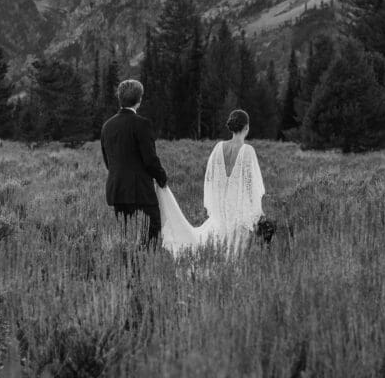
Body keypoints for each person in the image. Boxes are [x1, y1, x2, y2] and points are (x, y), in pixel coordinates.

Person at [156, 109, 266, 256]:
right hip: (237, 216)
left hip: (220, 215)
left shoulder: (218, 147)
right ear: (246, 127)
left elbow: (210, 180)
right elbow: (251, 187)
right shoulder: (248, 151)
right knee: (233, 255)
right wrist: (258, 214)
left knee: (215, 251)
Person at [100, 79, 168, 248]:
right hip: (140, 192)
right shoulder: (142, 124)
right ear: (139, 100)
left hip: (117, 190)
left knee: (126, 239)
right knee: (151, 235)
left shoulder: (107, 126)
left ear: (119, 98)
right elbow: (150, 160)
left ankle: (128, 271)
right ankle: (144, 270)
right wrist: (162, 178)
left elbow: (108, 162)